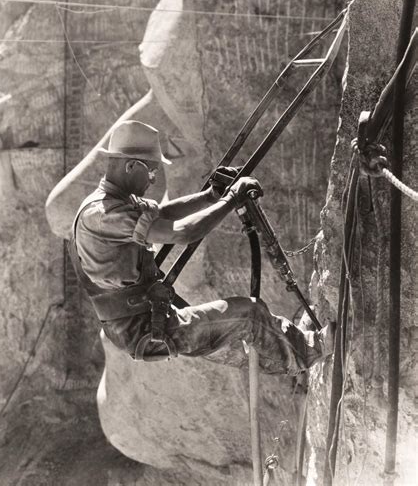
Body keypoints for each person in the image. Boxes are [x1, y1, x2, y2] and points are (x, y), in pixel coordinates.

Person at [70, 120, 333, 374]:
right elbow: (185, 232)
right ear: (130, 166)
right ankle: (313, 350)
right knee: (249, 314)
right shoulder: (103, 215)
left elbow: (163, 214)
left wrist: (210, 197)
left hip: (150, 317)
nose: (152, 180)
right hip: (144, 329)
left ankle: (296, 353)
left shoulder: (116, 202)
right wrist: (231, 199)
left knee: (244, 334)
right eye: (151, 171)